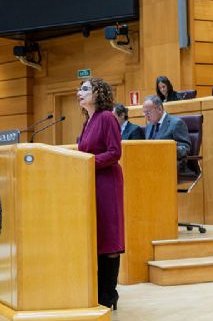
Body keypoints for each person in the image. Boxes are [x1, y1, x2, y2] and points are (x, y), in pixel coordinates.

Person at [76, 78, 124, 310]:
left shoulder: (107, 117)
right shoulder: (88, 121)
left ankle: (109, 292)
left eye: (85, 88)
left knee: (109, 236)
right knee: (96, 235)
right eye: (80, 89)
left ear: (99, 93)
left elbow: (115, 152)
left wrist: (88, 162)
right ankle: (98, 290)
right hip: (91, 181)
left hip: (107, 182)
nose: (79, 92)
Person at [142, 95, 191, 170]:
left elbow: (185, 148)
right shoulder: (149, 126)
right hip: (151, 165)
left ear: (159, 109)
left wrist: (167, 150)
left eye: (148, 112)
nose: (146, 116)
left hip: (169, 166)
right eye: (144, 113)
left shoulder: (176, 123)